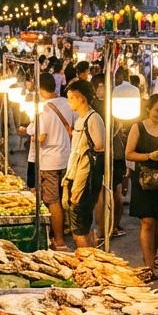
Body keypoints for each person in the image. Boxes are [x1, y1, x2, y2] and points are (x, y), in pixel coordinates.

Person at [125, 93, 158, 277]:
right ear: (148, 109)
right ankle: (149, 267)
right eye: (157, 110)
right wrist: (149, 156)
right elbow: (129, 153)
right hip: (144, 181)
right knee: (147, 222)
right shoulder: (138, 127)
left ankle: (152, 254)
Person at [27, 73, 76, 250]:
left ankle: (59, 241)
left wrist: (28, 132)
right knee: (64, 199)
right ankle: (65, 231)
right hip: (66, 157)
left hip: (49, 161)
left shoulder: (44, 109)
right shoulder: (67, 103)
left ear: (40, 90)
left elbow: (40, 137)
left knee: (52, 201)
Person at [63, 79, 104, 249]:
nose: (69, 101)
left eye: (72, 97)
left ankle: (87, 260)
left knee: (79, 222)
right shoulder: (80, 119)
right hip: (76, 173)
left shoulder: (93, 118)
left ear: (82, 99)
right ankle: (91, 257)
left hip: (85, 177)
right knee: (82, 223)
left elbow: (100, 146)